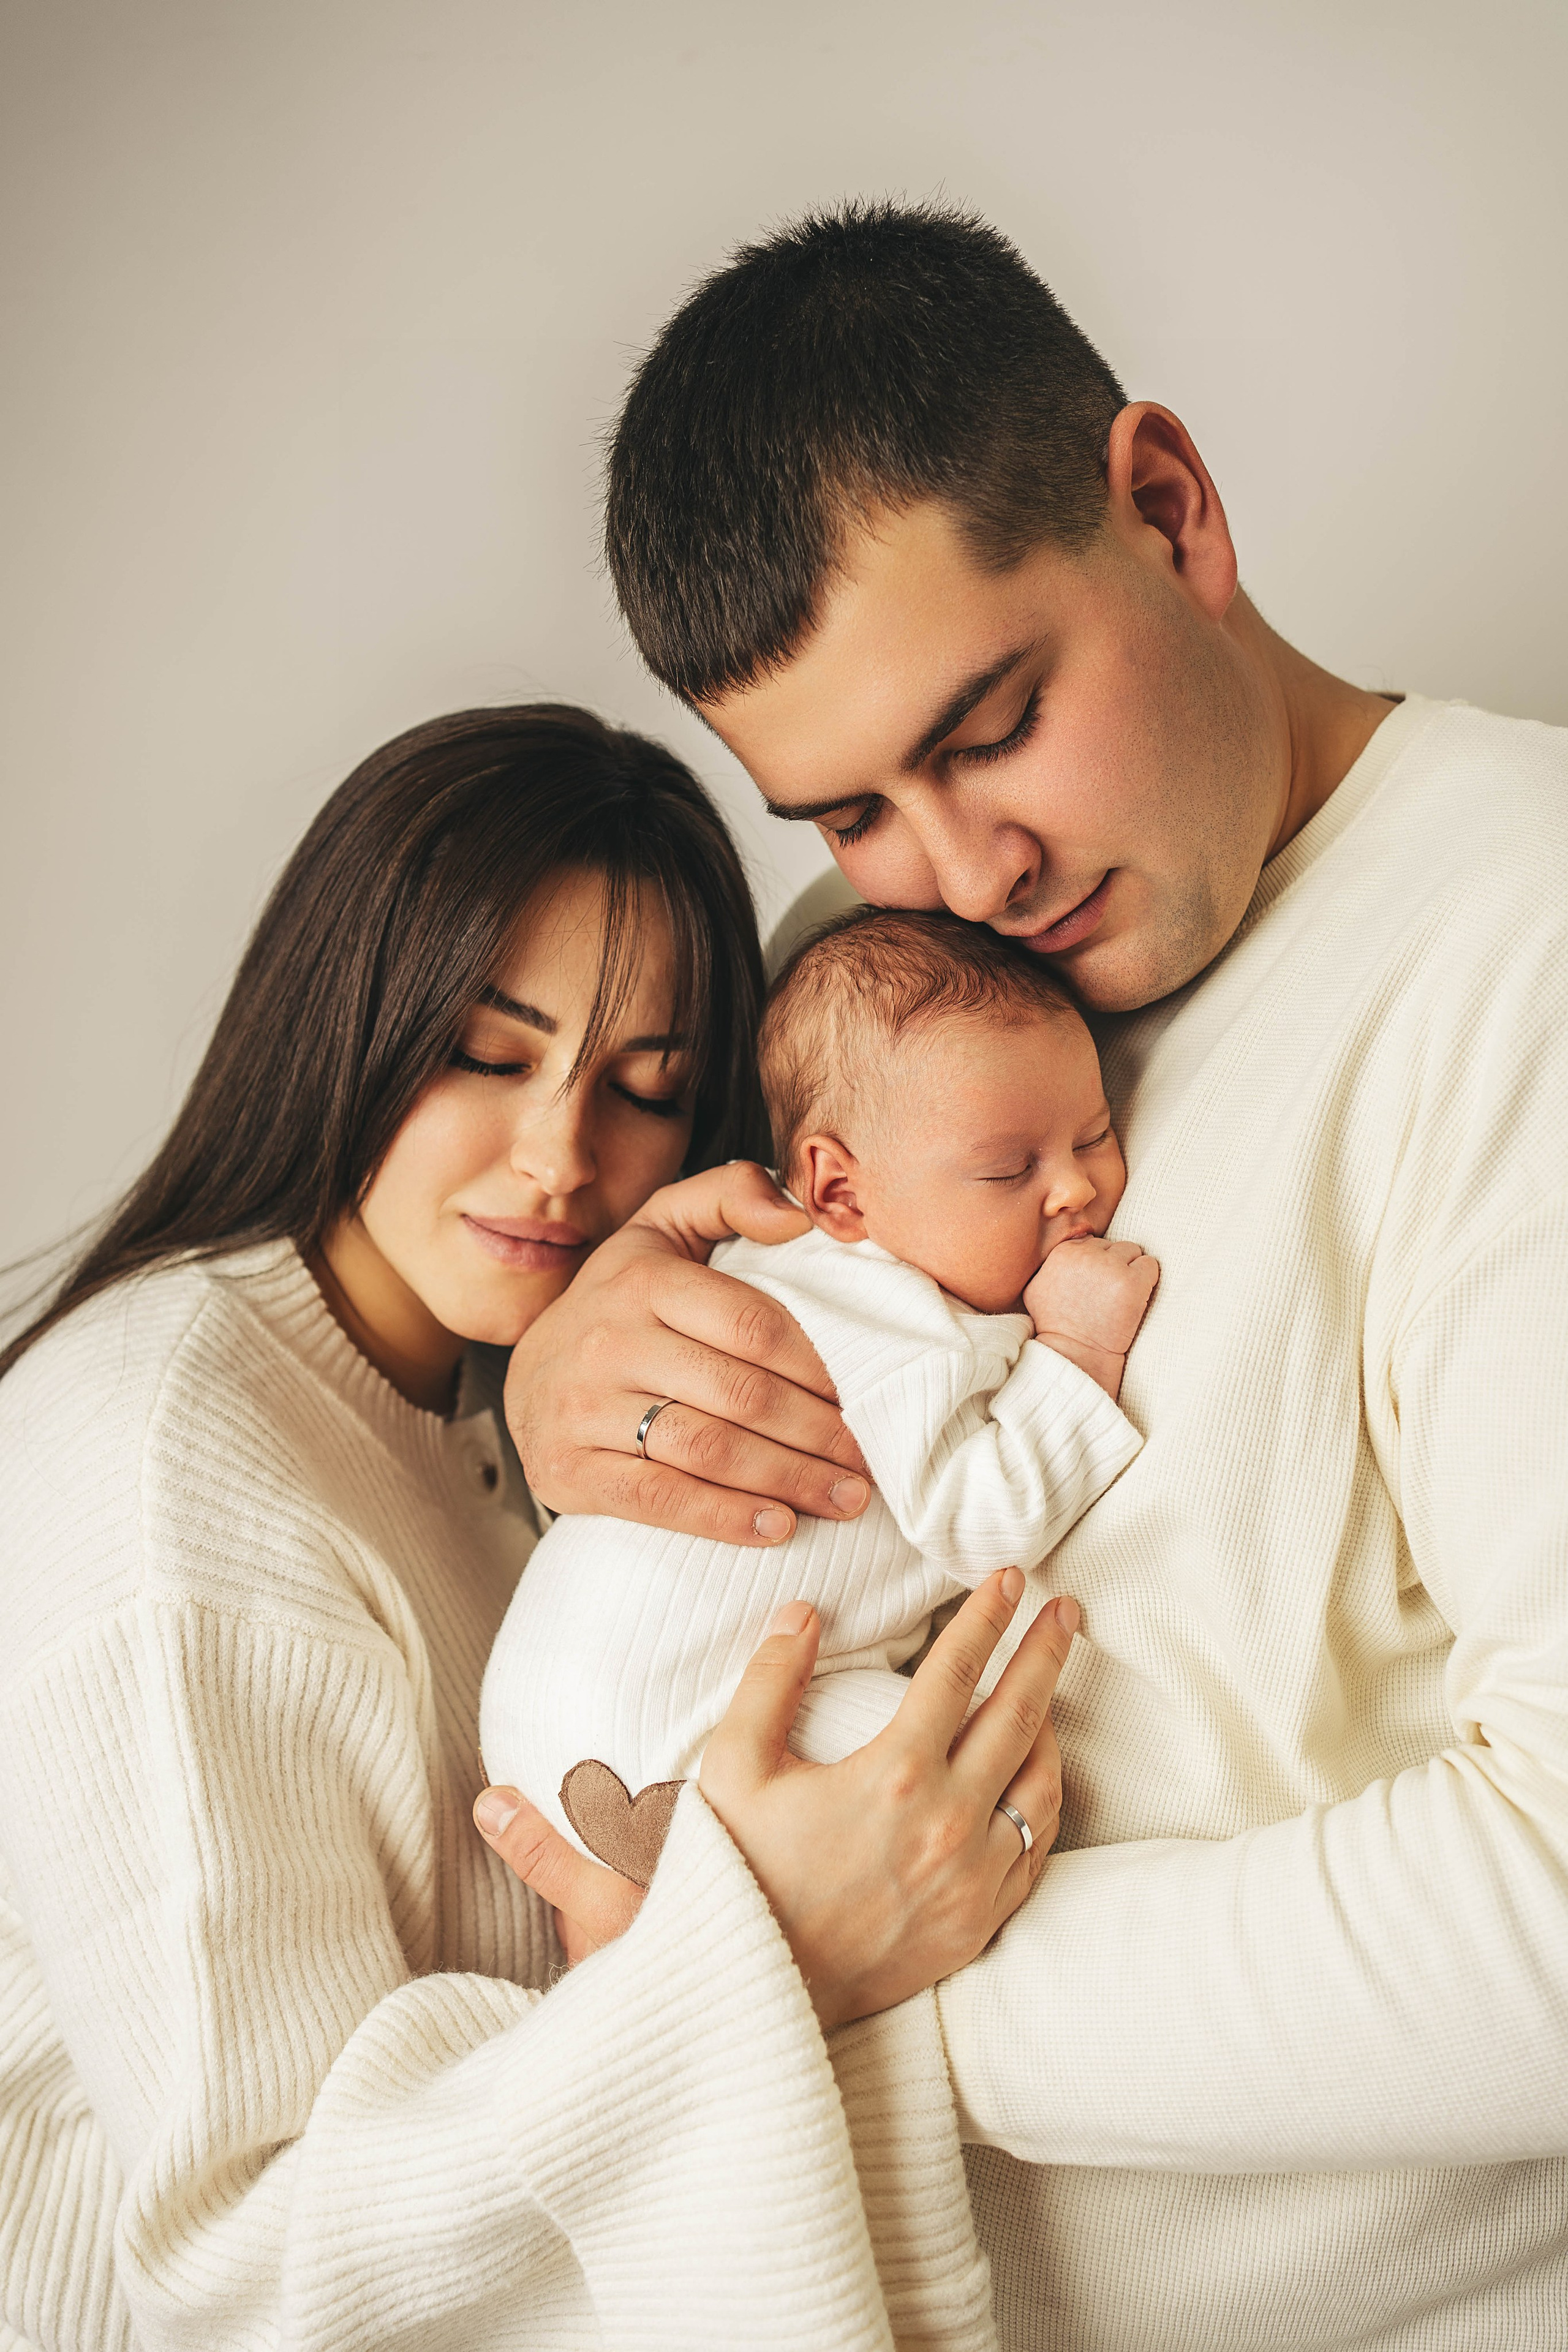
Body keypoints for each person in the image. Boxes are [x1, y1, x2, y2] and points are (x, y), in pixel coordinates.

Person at [505, 205, 1568, 2348]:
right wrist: (583, 1398)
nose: (964, 867)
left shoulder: (1519, 944)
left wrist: (808, 1984)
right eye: (851, 813)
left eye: (991, 723)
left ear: (1168, 515)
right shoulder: (905, 995)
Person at [0, 701, 1077, 2352]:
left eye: (646, 1088)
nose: (562, 1157)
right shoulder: (169, 1449)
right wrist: (775, 1946)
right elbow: (242, 2268)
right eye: (486, 1057)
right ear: (344, 1013)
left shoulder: (500, 1399)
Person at [481, 907, 1157, 1876]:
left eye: (1094, 1137)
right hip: (682, 1727)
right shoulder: (895, 1320)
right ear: (840, 1194)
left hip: (537, 1717)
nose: (1076, 1193)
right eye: (1011, 1170)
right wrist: (1080, 1353)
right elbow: (983, 1522)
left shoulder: (767, 1260)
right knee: (991, 1784)